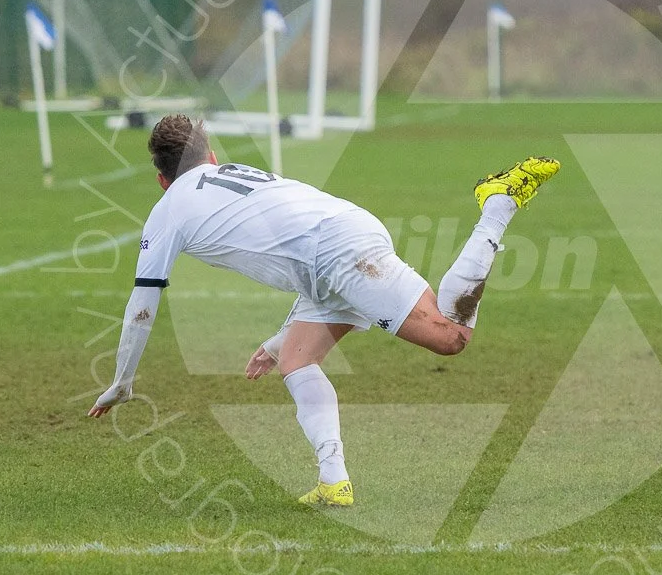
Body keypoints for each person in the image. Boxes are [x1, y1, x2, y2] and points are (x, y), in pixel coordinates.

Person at [86, 114, 560, 507]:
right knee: (296, 359)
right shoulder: (235, 172)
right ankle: (334, 481)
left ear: (161, 180)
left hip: (335, 257)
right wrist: (278, 341)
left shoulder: (167, 211)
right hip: (337, 241)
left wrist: (123, 381)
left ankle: (497, 205)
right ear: (210, 157)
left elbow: (141, 307)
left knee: (450, 337)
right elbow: (290, 242)